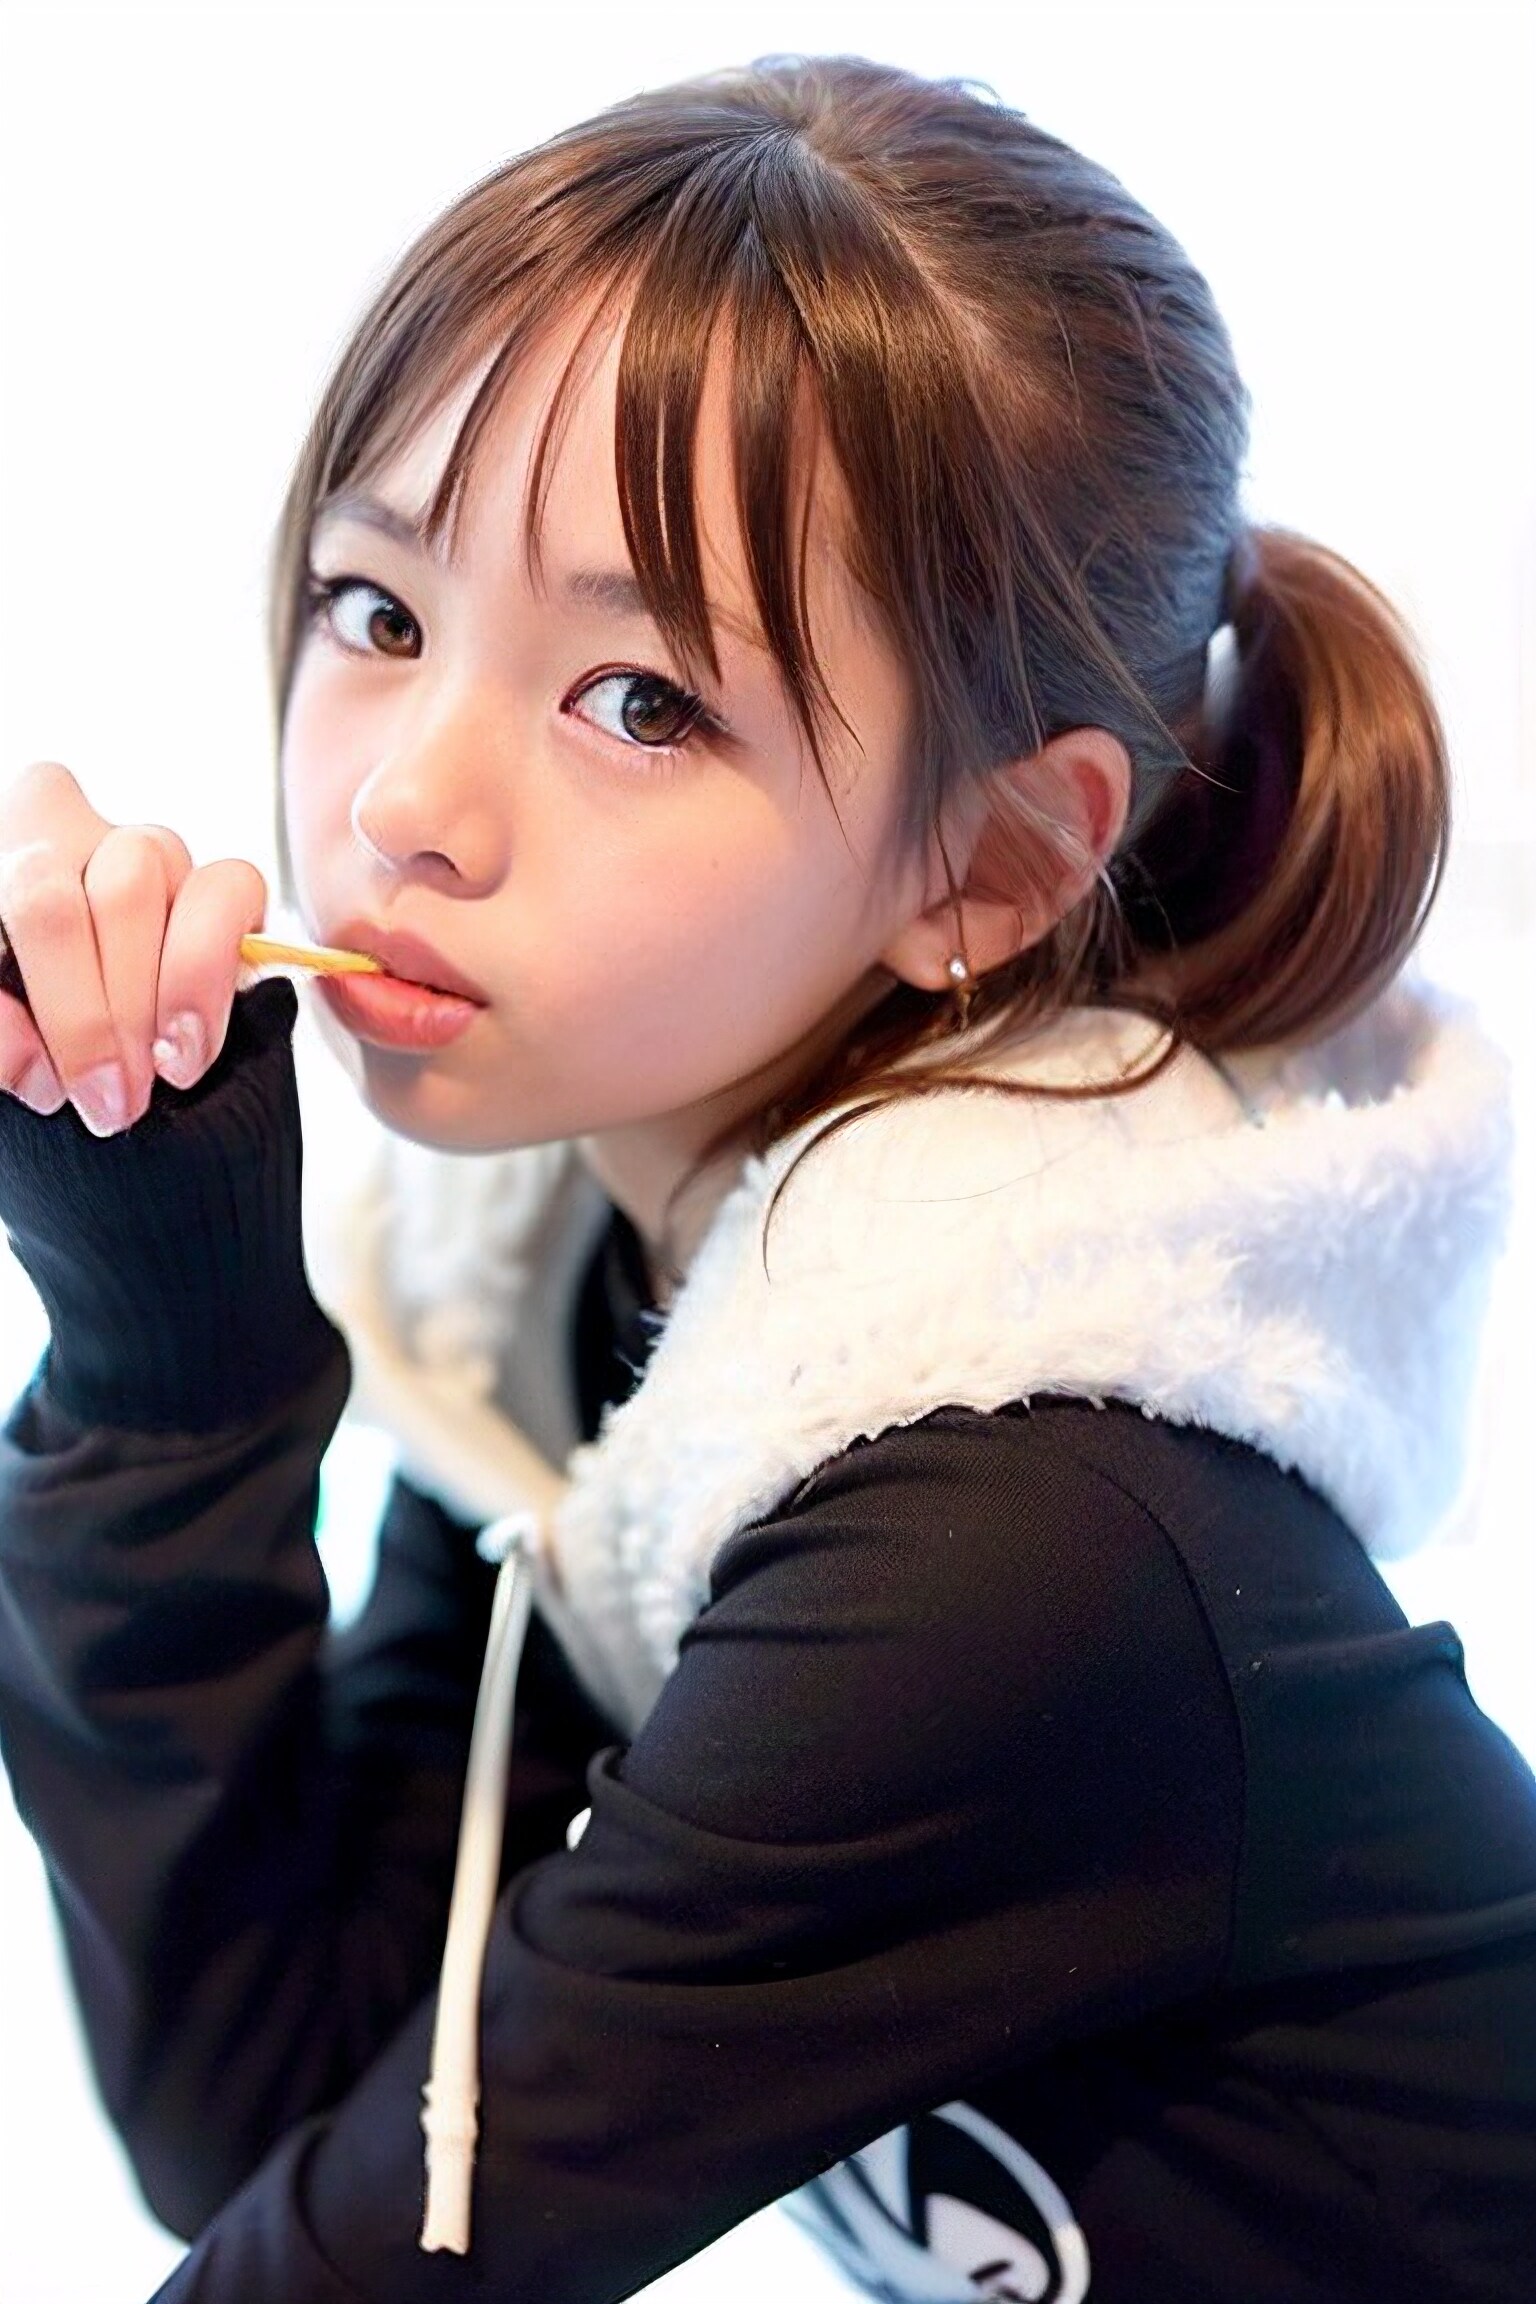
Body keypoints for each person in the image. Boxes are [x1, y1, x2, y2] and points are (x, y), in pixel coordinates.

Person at [0, 49, 1531, 2304]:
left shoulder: (1018, 1534)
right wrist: (164, 1328)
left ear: (991, 863)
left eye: (640, 701)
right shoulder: (593, 1293)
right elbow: (283, 2091)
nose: (404, 804)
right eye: (379, 609)